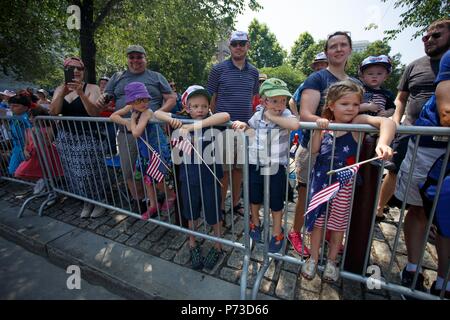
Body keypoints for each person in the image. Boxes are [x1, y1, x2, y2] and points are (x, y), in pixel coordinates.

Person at [300, 80, 395, 282]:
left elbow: (387, 122)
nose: (351, 108)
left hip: (343, 186)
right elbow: (315, 150)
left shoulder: (357, 122)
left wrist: (383, 143)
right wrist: (318, 128)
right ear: (332, 105)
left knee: (337, 226)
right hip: (320, 183)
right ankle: (314, 258)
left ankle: (332, 261)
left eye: (355, 104)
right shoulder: (326, 123)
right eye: (345, 104)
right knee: (317, 224)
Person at [290, 32, 358, 257]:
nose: (338, 49)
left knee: (336, 199)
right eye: (333, 46)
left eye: (343, 45)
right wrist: (326, 123)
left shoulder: (354, 83)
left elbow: (357, 114)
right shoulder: (317, 79)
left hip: (344, 154)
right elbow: (305, 114)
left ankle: (325, 239)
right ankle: (295, 232)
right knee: (306, 196)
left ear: (349, 49)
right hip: (314, 149)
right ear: (327, 51)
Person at [377, 19, 450, 221]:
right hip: (411, 131)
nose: (429, 40)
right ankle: (380, 207)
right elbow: (401, 99)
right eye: (425, 37)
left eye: (436, 36)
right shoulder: (414, 66)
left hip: (442, 140)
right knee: (394, 171)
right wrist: (396, 123)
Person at [155, 85, 230, 270]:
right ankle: (192, 242)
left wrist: (195, 125)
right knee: (191, 213)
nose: (200, 110)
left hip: (210, 179)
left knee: (214, 213)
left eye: (204, 106)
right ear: (187, 107)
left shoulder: (212, 121)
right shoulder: (181, 120)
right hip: (189, 179)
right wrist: (176, 123)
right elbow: (157, 113)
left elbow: (226, 116)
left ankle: (217, 244)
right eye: (195, 106)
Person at [395, 49, 450, 299]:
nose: (429, 40)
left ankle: (443, 280)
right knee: (417, 209)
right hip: (428, 148)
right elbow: (446, 113)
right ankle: (412, 269)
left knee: (447, 222)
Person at [96, 45, 176, 214]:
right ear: (127, 59)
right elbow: (107, 97)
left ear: (145, 58)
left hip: (152, 133)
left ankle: (165, 197)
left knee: (157, 170)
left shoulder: (156, 77)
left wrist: (158, 114)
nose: (135, 60)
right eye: (131, 57)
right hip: (126, 135)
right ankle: (140, 202)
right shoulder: (117, 77)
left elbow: (171, 98)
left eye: (139, 57)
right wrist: (103, 100)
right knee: (131, 172)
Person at [233, 78, 300, 253]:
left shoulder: (284, 115)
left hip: (276, 166)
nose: (280, 105)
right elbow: (250, 131)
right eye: (275, 100)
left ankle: (277, 231)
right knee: (254, 195)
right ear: (264, 101)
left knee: (276, 200)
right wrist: (243, 125)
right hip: (255, 162)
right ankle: (255, 222)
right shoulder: (258, 114)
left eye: (283, 100)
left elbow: (295, 124)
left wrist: (272, 116)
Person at [207, 30, 259, 222]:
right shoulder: (218, 69)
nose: (238, 47)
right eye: (235, 44)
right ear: (230, 46)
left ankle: (236, 203)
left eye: (242, 43)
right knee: (224, 171)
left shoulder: (254, 72)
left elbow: (253, 98)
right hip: (224, 129)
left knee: (239, 171)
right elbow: (210, 97)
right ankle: (220, 206)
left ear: (248, 45)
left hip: (244, 130)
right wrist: (215, 122)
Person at [50, 57, 106, 219]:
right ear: (65, 71)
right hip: (66, 138)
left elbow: (95, 113)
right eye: (71, 68)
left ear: (83, 72)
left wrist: (81, 94)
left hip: (88, 137)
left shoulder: (93, 88)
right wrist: (61, 93)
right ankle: (86, 201)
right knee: (73, 172)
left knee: (90, 172)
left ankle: (99, 201)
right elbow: (53, 112)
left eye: (79, 69)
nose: (75, 71)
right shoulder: (59, 89)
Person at [110, 82, 176, 220]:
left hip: (156, 150)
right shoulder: (131, 107)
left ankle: (171, 195)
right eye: (139, 100)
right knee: (147, 180)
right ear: (132, 102)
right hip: (145, 151)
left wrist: (132, 120)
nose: (143, 103)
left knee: (157, 178)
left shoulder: (147, 112)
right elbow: (113, 116)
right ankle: (153, 205)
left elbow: (136, 133)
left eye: (145, 99)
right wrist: (127, 122)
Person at [14, 106, 63, 194]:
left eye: (32, 116)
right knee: (27, 171)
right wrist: (25, 150)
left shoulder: (48, 128)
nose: (30, 119)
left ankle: (51, 190)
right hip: (34, 155)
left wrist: (37, 134)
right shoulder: (29, 129)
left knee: (48, 172)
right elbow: (26, 143)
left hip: (46, 154)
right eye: (29, 117)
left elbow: (48, 142)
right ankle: (43, 185)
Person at [288, 52, 328, 118]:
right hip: (312, 125)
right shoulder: (306, 84)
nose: (318, 67)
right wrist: (297, 116)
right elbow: (292, 101)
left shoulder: (337, 83)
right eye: (316, 65)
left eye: (322, 64)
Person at [7, 93, 32, 175]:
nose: (11, 108)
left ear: (25, 107)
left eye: (15, 105)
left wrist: (26, 148)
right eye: (10, 105)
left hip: (27, 148)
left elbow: (30, 133)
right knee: (12, 170)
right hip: (17, 148)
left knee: (30, 170)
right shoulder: (13, 117)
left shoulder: (26, 118)